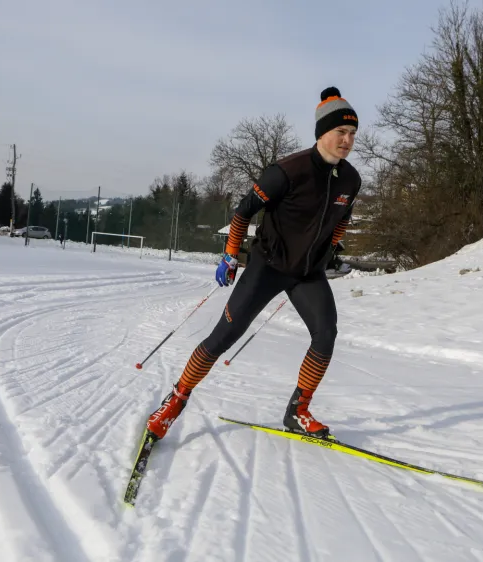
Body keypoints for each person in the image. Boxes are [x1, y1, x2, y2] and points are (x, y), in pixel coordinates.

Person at [146, 86, 361, 440]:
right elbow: (243, 212)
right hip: (268, 267)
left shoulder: (350, 179)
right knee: (222, 337)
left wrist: (329, 248)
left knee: (326, 336)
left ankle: (298, 412)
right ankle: (175, 401)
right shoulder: (287, 171)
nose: (347, 140)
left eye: (352, 134)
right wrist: (231, 254)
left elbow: (341, 218)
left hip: (307, 273)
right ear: (322, 132)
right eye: (341, 132)